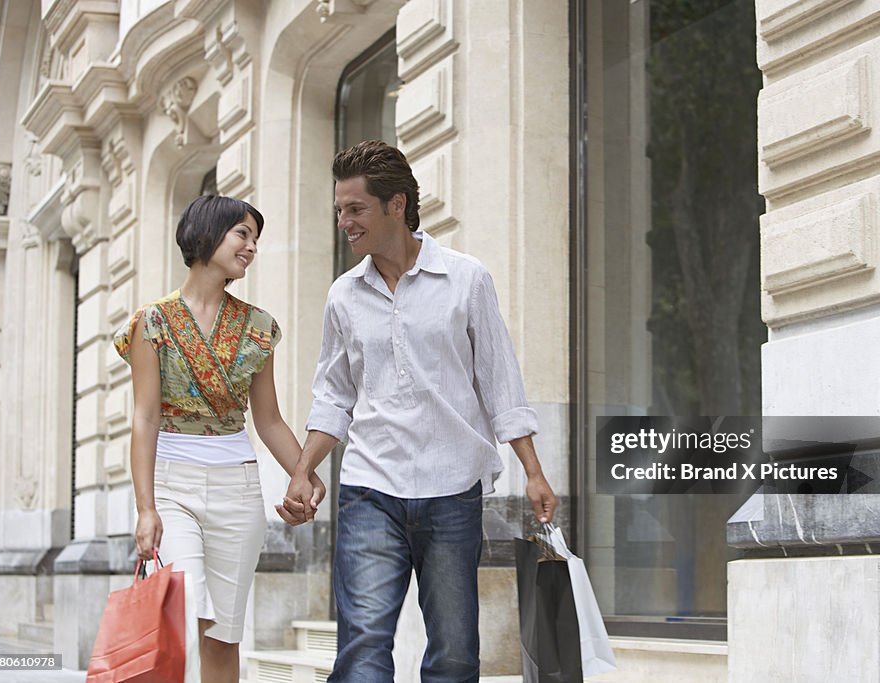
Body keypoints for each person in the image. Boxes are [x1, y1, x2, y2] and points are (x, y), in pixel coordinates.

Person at [278, 140, 558, 682]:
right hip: (369, 487)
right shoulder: (343, 296)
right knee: (361, 647)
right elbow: (334, 394)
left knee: (454, 654)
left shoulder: (465, 278)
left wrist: (534, 470)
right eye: (339, 210)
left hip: (452, 489)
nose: (344, 222)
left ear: (397, 205)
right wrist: (302, 469)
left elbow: (499, 378)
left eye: (355, 208)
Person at [114, 195, 325, 683]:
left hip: (238, 488)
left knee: (223, 634)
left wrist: (304, 473)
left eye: (255, 238)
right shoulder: (153, 322)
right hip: (171, 486)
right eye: (242, 234)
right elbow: (144, 419)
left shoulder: (258, 327)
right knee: (182, 610)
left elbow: (269, 420)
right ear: (207, 235)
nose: (251, 247)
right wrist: (146, 508)